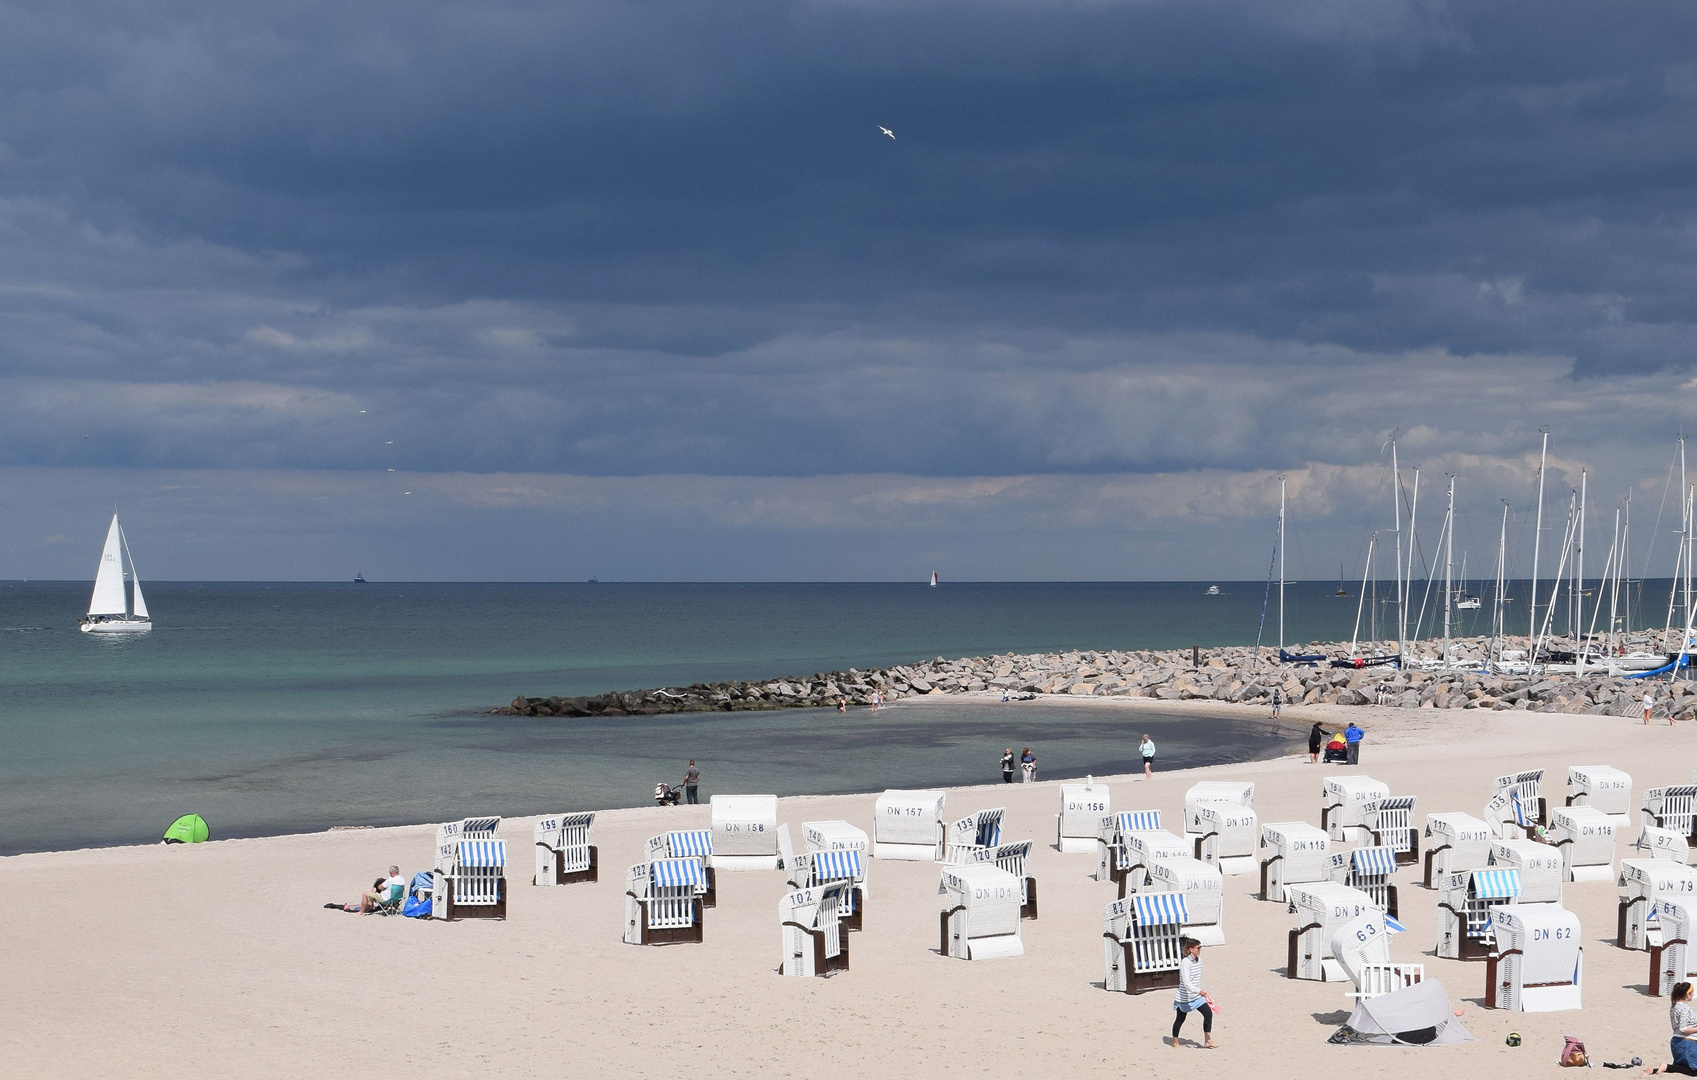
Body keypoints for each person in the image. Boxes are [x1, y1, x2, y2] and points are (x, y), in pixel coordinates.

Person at [1170, 937, 1217, 1049]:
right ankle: (1175, 1040)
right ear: (1191, 949)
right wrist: (1198, 990)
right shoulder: (1185, 962)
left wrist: (1199, 992)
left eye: (1201, 947)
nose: (1200, 949)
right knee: (1180, 1019)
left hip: (1197, 996)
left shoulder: (1199, 960)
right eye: (1198, 947)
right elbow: (1186, 982)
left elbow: (1196, 978)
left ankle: (1208, 1040)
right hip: (1184, 997)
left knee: (1208, 1014)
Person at [1646, 980, 1697, 1075]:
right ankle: (1665, 1066)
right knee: (1694, 1071)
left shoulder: (1674, 1006)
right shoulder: (1684, 1008)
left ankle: (1653, 1070)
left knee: (1681, 1067)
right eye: (1692, 993)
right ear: (1687, 994)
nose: (1693, 995)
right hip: (1687, 1042)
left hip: (1677, 1041)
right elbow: (1683, 1028)